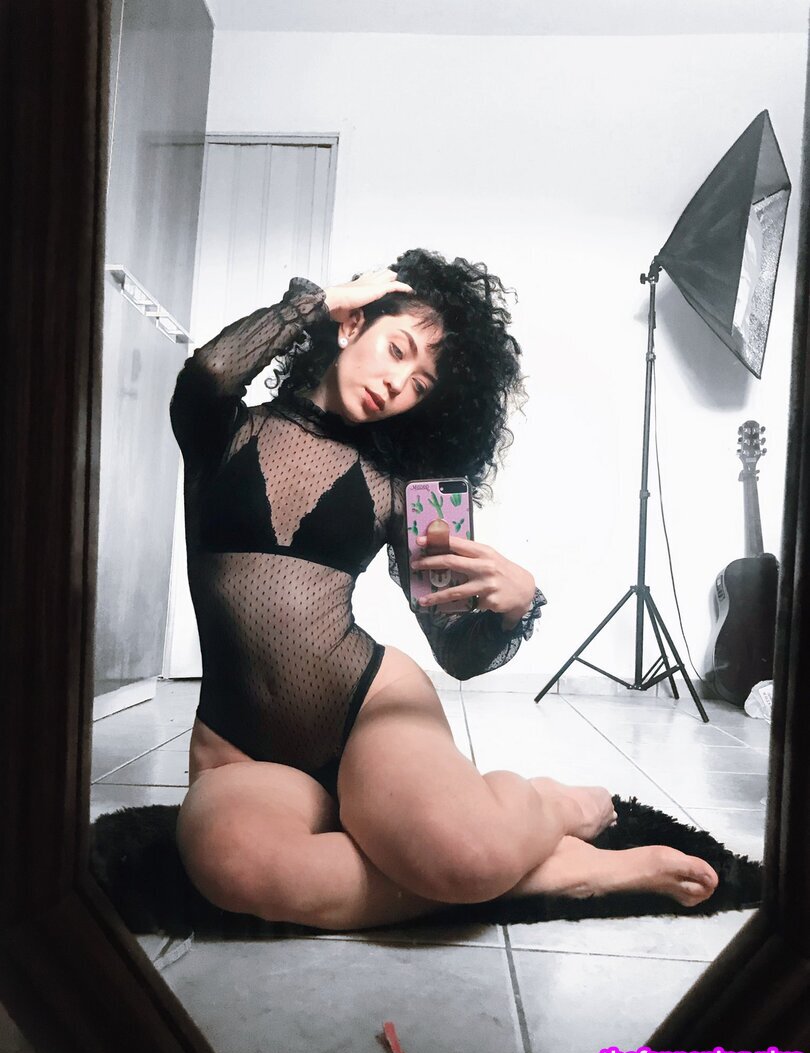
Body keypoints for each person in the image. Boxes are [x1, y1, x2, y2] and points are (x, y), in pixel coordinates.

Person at [171, 249, 718, 931]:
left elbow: (457, 653)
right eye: (396, 349)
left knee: (465, 857)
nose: (397, 383)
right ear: (352, 325)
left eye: (420, 383)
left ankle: (549, 806)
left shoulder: (411, 492)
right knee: (234, 868)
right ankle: (558, 868)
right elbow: (207, 374)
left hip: (370, 712)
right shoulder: (223, 430)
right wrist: (317, 302)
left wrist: (512, 607)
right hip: (239, 747)